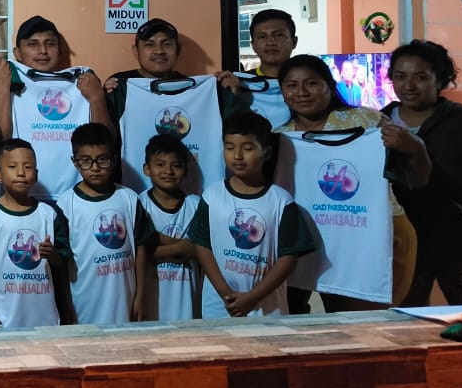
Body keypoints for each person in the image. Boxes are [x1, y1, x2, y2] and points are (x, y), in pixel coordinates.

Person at [276, 54, 423, 310]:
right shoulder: (281, 137)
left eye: (311, 83)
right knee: (339, 317)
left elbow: (414, 172)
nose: (301, 92)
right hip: (321, 240)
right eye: (291, 85)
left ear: (330, 85)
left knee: (373, 319)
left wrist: (413, 146)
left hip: (378, 234)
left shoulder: (367, 121)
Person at [382, 41, 462, 306]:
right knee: (405, 321)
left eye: (421, 77)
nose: (409, 86)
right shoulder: (377, 123)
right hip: (404, 245)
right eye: (400, 76)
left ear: (441, 80)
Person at [185, 112, 314, 317]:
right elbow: (202, 245)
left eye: (247, 148)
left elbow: (288, 258)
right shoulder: (212, 196)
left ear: (267, 153)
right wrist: (224, 293)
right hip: (218, 306)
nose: (237, 156)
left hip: (266, 309)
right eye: (229, 147)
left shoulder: (281, 201)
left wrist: (252, 297)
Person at [0, 15, 112, 197]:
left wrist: (97, 98)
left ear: (59, 50)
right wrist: (1, 89)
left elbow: (106, 141)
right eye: (33, 44)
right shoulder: (6, 82)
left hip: (76, 197)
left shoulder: (83, 83)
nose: (43, 51)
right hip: (21, 196)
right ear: (18, 53)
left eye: (50, 43)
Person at [0, 139, 76, 328]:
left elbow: (61, 264)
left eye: (28, 167)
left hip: (44, 318)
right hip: (0, 316)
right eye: (12, 166)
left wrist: (52, 254)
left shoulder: (48, 214)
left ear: (36, 174)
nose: (21, 173)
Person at [55, 123, 155, 325]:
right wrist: (65, 304)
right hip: (84, 306)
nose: (95, 168)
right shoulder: (65, 204)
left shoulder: (128, 198)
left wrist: (141, 297)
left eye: (102, 160)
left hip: (126, 303)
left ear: (114, 160)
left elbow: (141, 248)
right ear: (75, 162)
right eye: (86, 161)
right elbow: (61, 263)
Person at [137, 135, 202, 321]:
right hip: (151, 303)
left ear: (186, 169)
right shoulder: (137, 204)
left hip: (187, 305)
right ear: (147, 169)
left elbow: (201, 251)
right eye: (160, 164)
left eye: (176, 165)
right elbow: (135, 253)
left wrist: (153, 249)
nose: (168, 171)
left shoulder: (196, 205)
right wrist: (184, 248)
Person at [217, 9, 298, 127]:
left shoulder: (307, 85)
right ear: (253, 46)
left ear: (294, 42)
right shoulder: (237, 83)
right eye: (262, 37)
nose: (270, 42)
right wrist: (233, 98)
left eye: (279, 35)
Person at [103, 18, 188, 120]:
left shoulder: (189, 87)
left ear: (178, 50)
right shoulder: (119, 85)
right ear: (136, 51)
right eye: (149, 44)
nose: (159, 51)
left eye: (167, 44)